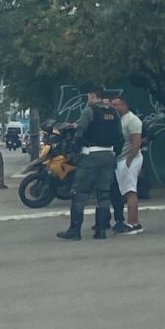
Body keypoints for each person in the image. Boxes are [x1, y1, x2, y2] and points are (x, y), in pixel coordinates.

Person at [57, 86, 123, 241]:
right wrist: (114, 154)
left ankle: (75, 230)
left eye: (89, 97)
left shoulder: (90, 111)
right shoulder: (114, 113)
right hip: (109, 154)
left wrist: (74, 150)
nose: (88, 100)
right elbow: (120, 136)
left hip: (91, 155)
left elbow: (80, 132)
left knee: (79, 193)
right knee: (104, 194)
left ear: (93, 95)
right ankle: (101, 231)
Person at [110, 96, 144, 234]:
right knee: (127, 191)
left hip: (129, 159)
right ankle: (136, 223)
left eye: (117, 105)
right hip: (122, 159)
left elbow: (137, 141)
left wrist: (130, 159)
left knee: (130, 192)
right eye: (113, 105)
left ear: (125, 105)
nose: (115, 108)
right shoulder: (119, 120)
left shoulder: (132, 120)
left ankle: (131, 223)